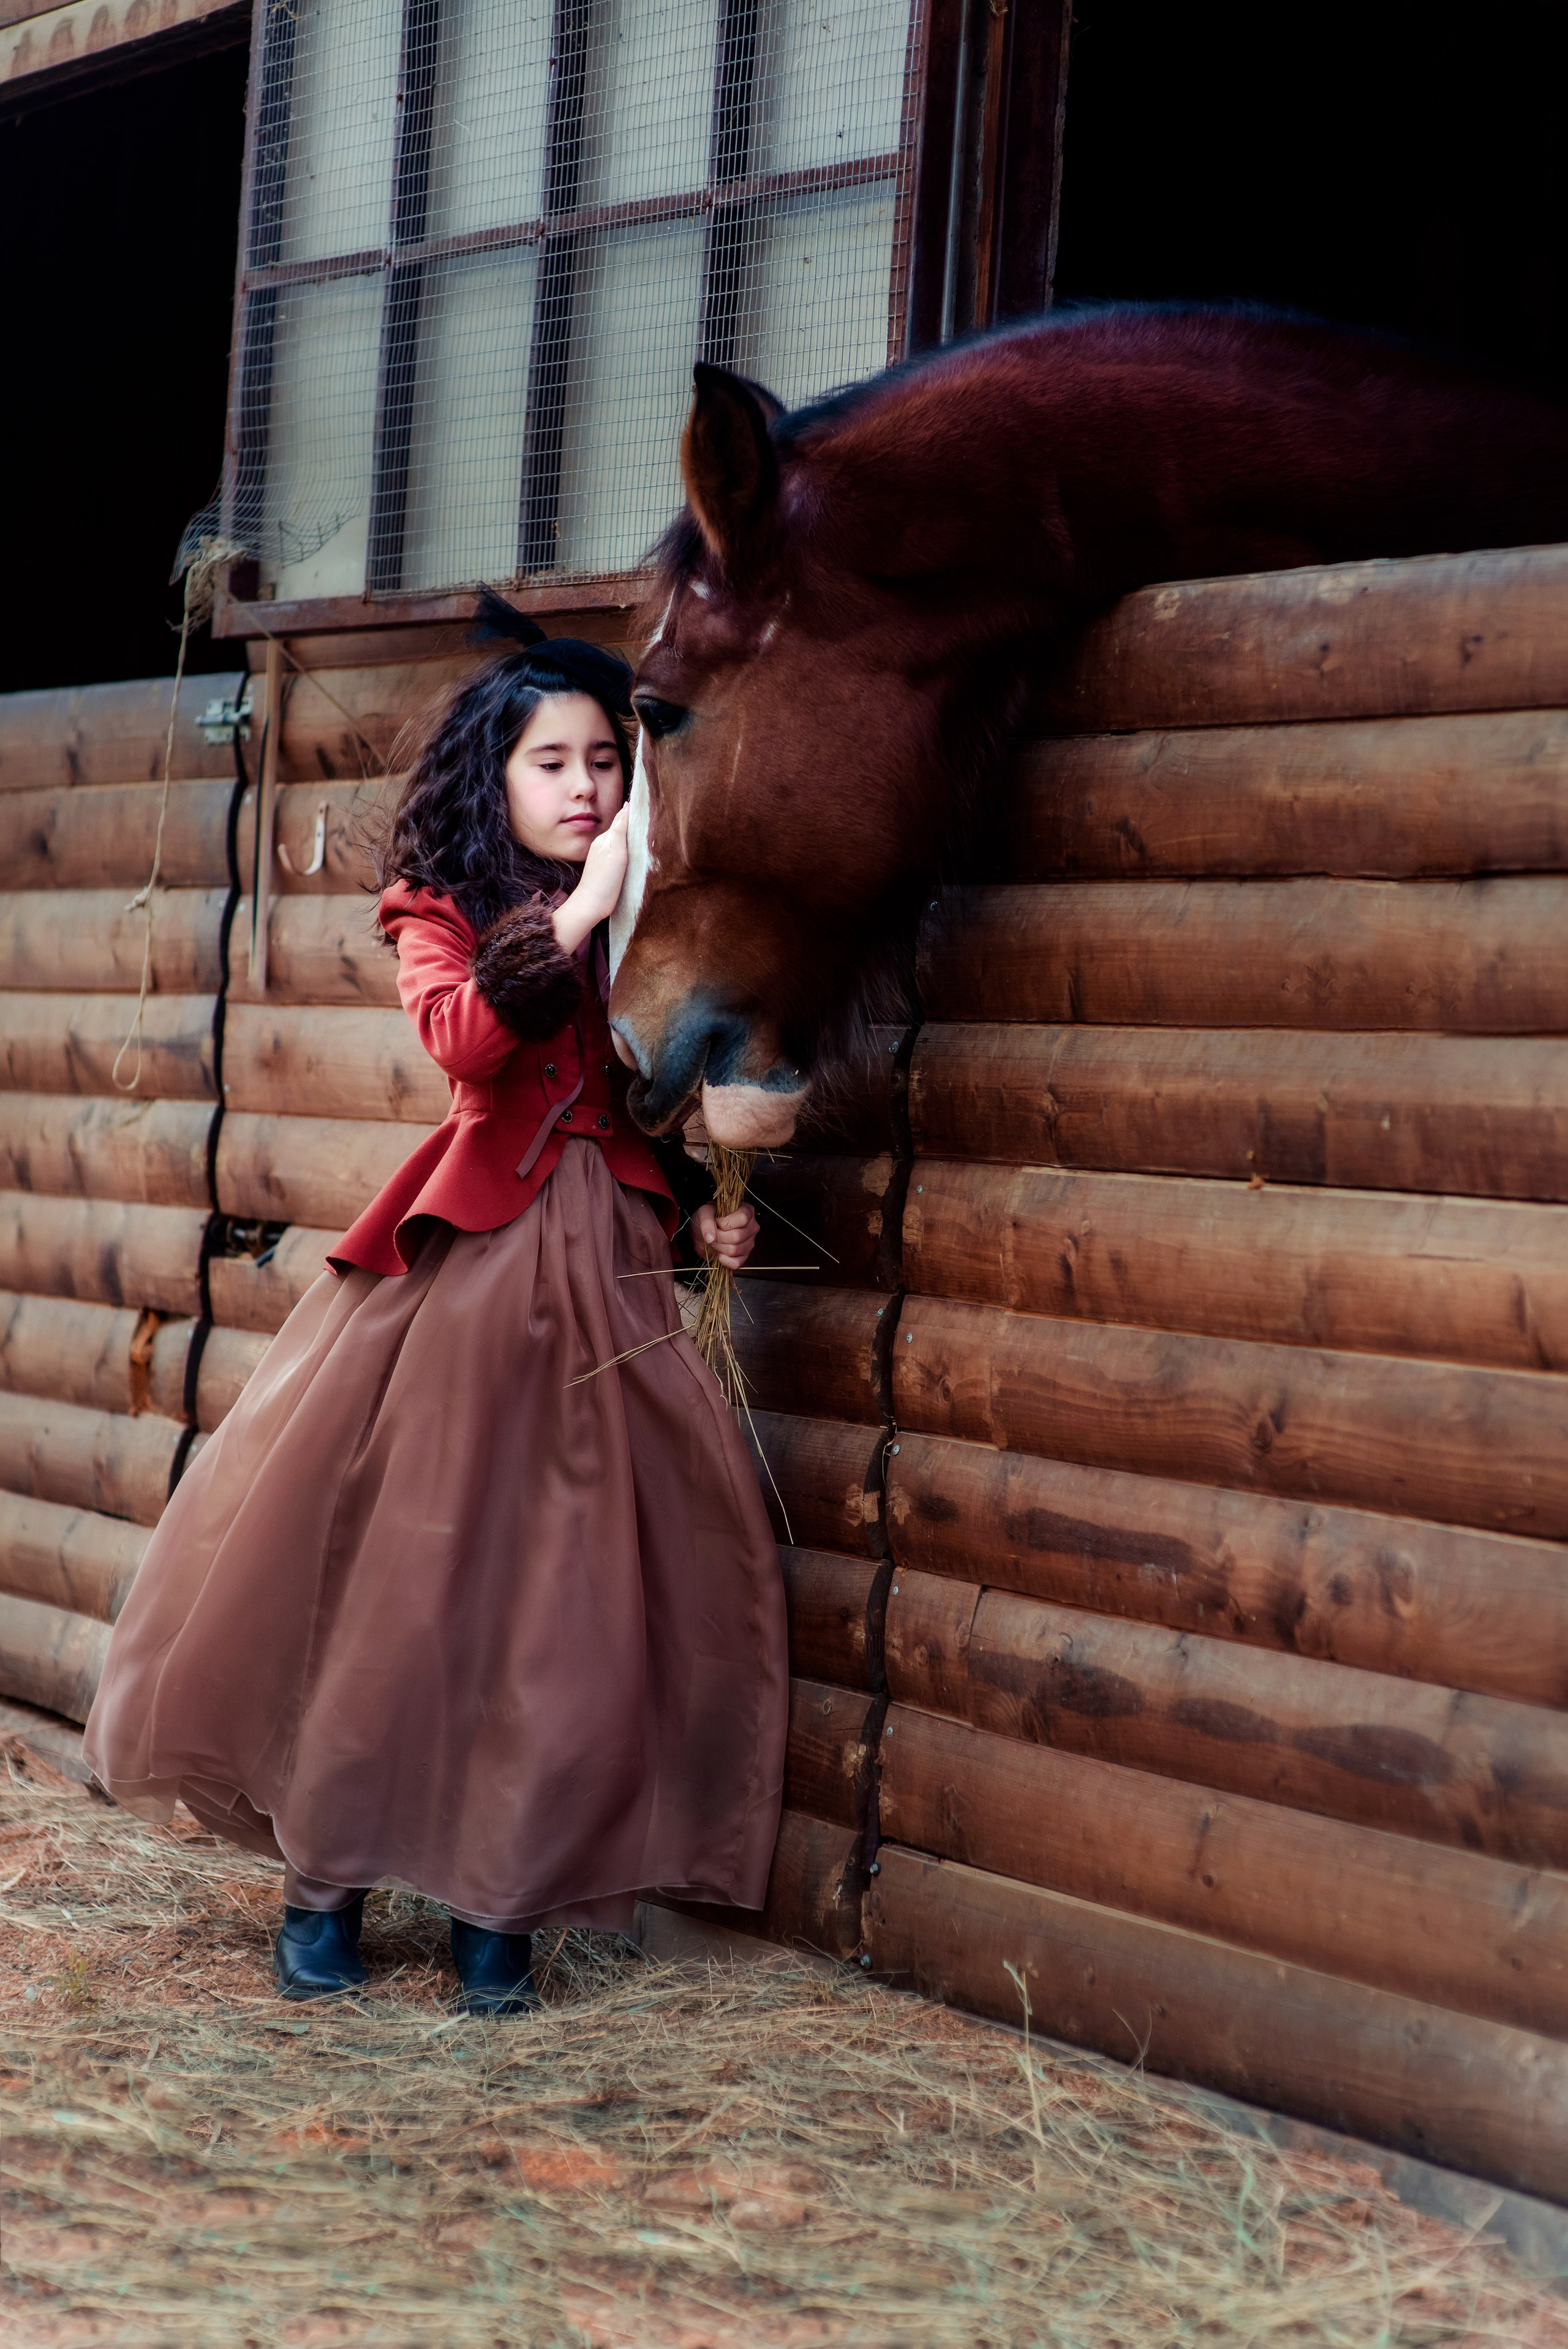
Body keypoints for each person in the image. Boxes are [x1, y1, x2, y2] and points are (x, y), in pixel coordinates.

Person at [83, 592, 789, 2013]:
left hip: (613, 1288)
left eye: (605, 762)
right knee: (406, 1584)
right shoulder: (442, 913)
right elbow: (472, 1046)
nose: (585, 788)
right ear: (495, 776)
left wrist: (702, 1195)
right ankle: (325, 1885)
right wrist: (575, 915)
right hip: (469, 1287)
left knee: (562, 1610)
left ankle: (497, 1910)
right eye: (552, 763)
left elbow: (627, 1093)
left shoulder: (646, 918)